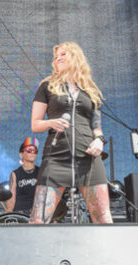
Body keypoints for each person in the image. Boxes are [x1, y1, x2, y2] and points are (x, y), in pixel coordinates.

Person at [29, 42, 111, 224]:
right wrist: (51, 122)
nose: (58, 58)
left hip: (88, 158)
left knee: (103, 219)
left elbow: (96, 127)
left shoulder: (91, 90)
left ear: (75, 57)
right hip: (56, 157)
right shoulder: (47, 86)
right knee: (38, 219)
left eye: (63, 54)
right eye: (56, 56)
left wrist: (99, 140)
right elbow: (35, 124)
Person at [4, 137, 40, 215]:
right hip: (20, 215)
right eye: (29, 150)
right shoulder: (15, 174)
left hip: (36, 214)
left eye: (35, 151)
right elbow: (11, 197)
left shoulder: (41, 172)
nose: (33, 153)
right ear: (21, 154)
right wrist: (9, 209)